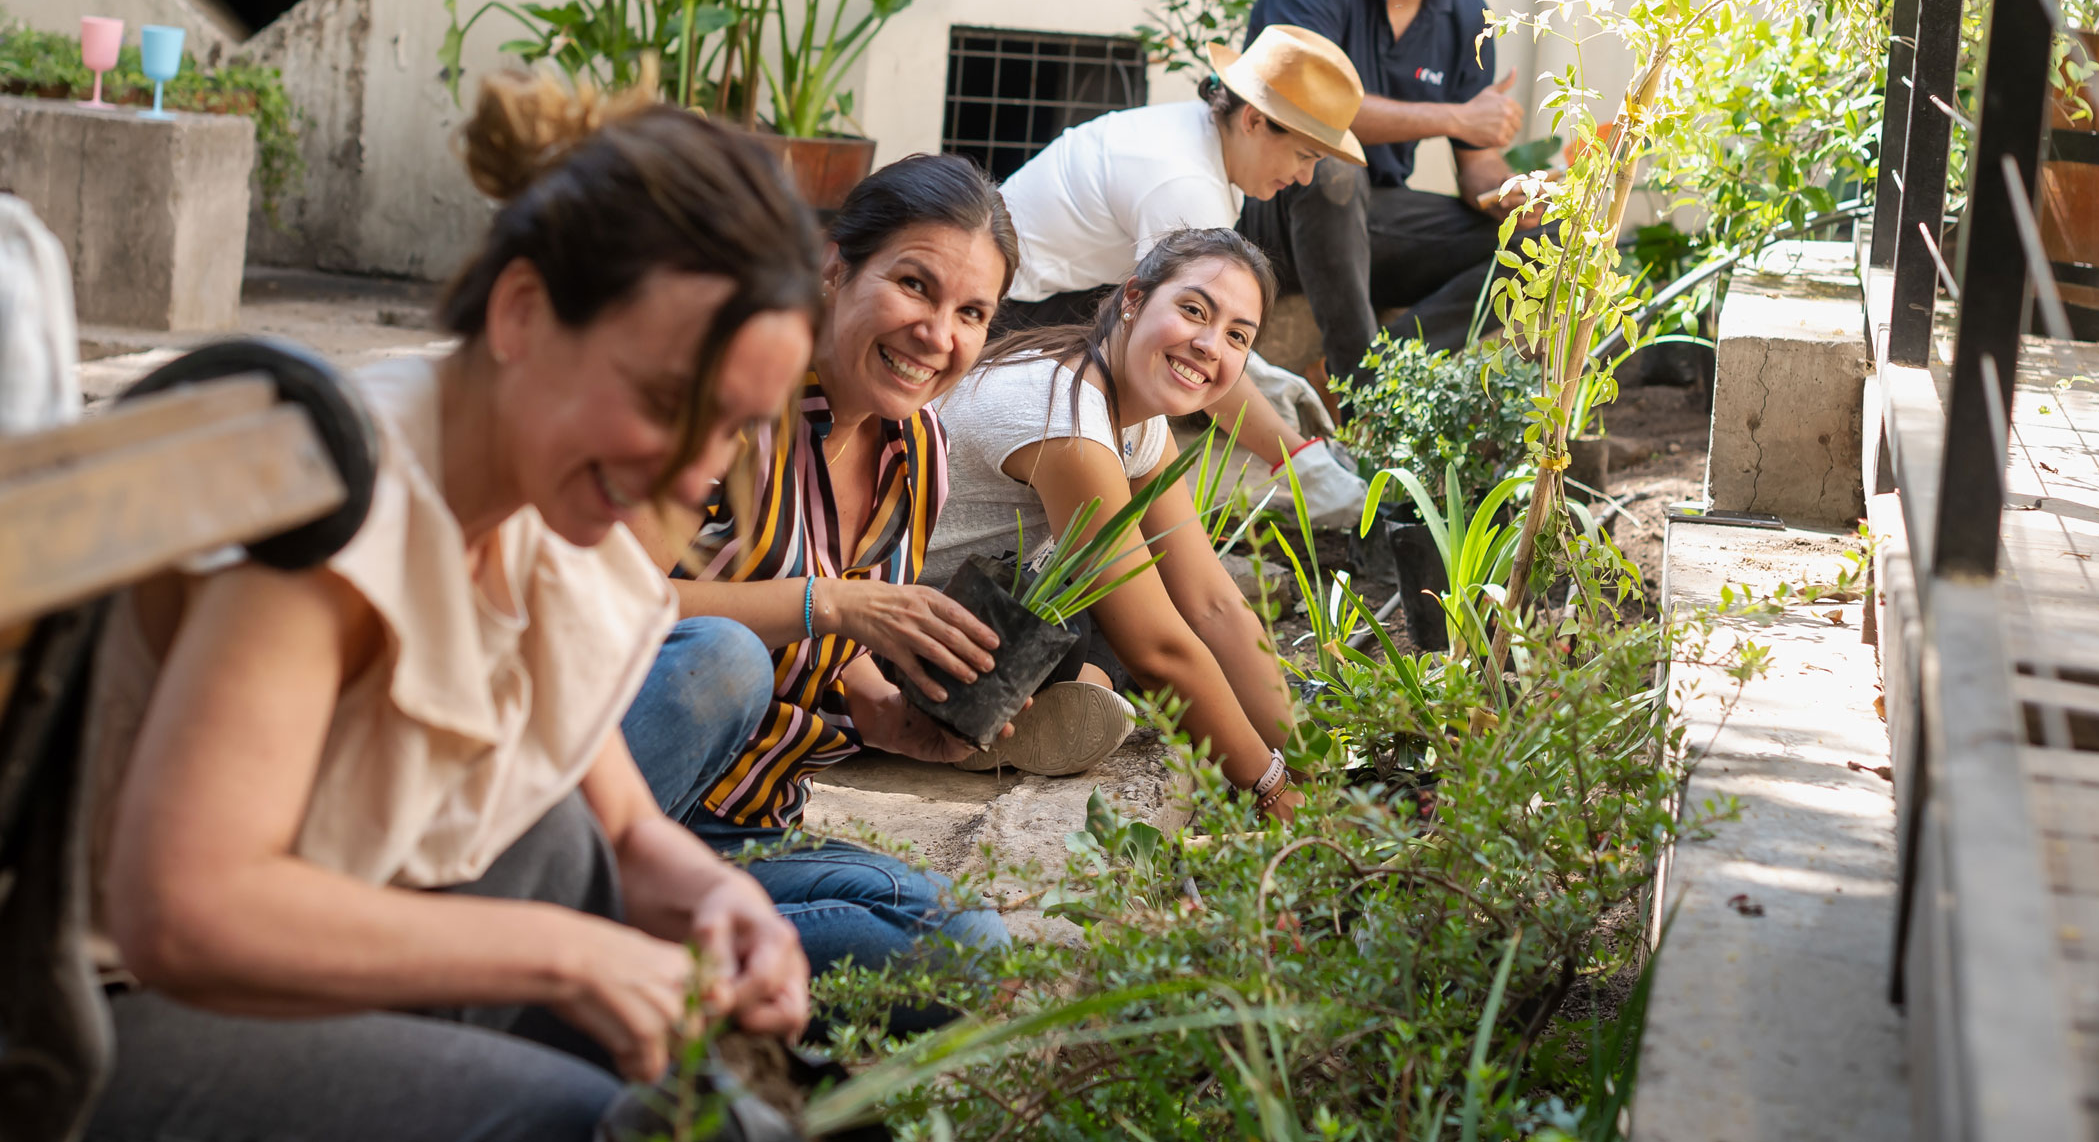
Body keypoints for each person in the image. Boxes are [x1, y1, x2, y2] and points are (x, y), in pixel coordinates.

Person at [85, 73, 823, 1142]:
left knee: (563, 856)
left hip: (236, 976)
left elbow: (619, 824)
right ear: (522, 311)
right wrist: (565, 955)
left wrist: (723, 898)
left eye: (735, 428)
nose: (693, 471)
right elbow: (184, 910)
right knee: (577, 1113)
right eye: (669, 402)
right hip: (91, 1015)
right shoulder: (342, 502)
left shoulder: (537, 507)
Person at [619, 153, 1037, 985]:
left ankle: (652, 953)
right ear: (835, 267)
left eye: (971, 313)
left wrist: (897, 716)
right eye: (914, 286)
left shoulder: (919, 452)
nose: (937, 335)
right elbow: (609, 600)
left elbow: (834, 659)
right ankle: (572, 912)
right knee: (721, 657)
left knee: (966, 948)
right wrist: (828, 603)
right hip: (612, 794)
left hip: (744, 828)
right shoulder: (731, 399)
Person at [927, 228, 1297, 820]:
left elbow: (1212, 602)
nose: (1209, 345)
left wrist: (1313, 758)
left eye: (1236, 336)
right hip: (925, 637)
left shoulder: (1135, 416)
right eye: (1193, 310)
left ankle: (1077, 691)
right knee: (1120, 612)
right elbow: (1158, 650)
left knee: (1138, 588)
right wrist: (1274, 788)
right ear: (1133, 299)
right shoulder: (1066, 416)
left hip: (1001, 601)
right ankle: (1024, 709)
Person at [995, 24, 1373, 526]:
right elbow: (1198, 350)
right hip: (1007, 323)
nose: (1305, 178)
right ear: (1256, 120)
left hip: (1046, 295)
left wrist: (1262, 377)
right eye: (1305, 156)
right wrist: (1298, 459)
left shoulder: (1202, 140)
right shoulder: (1186, 181)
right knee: (1174, 357)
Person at [1236, 0, 1554, 387]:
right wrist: (1454, 116)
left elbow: (1477, 162)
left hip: (1378, 220)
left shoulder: (1467, 15)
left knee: (1547, 245)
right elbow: (1306, 113)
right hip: (1278, 205)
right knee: (1331, 166)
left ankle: (1380, 373)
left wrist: (1514, 195)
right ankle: (1364, 396)